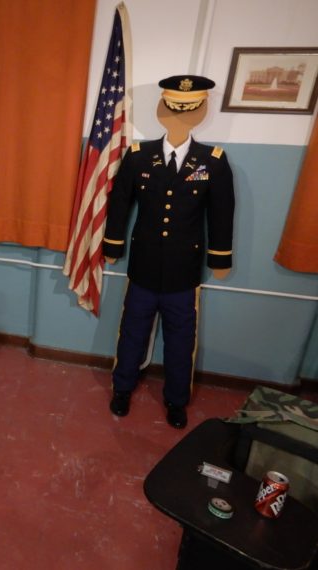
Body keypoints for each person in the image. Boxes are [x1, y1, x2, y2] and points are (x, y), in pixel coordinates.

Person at [103, 75, 235, 429]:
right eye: (175, 109)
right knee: (132, 332)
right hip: (143, 266)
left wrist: (220, 258)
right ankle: (122, 388)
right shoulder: (138, 156)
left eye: (189, 109)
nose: (180, 116)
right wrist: (113, 244)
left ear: (200, 110)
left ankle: (177, 400)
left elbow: (221, 213)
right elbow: (120, 203)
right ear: (163, 108)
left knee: (181, 340)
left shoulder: (213, 161)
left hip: (183, 270)